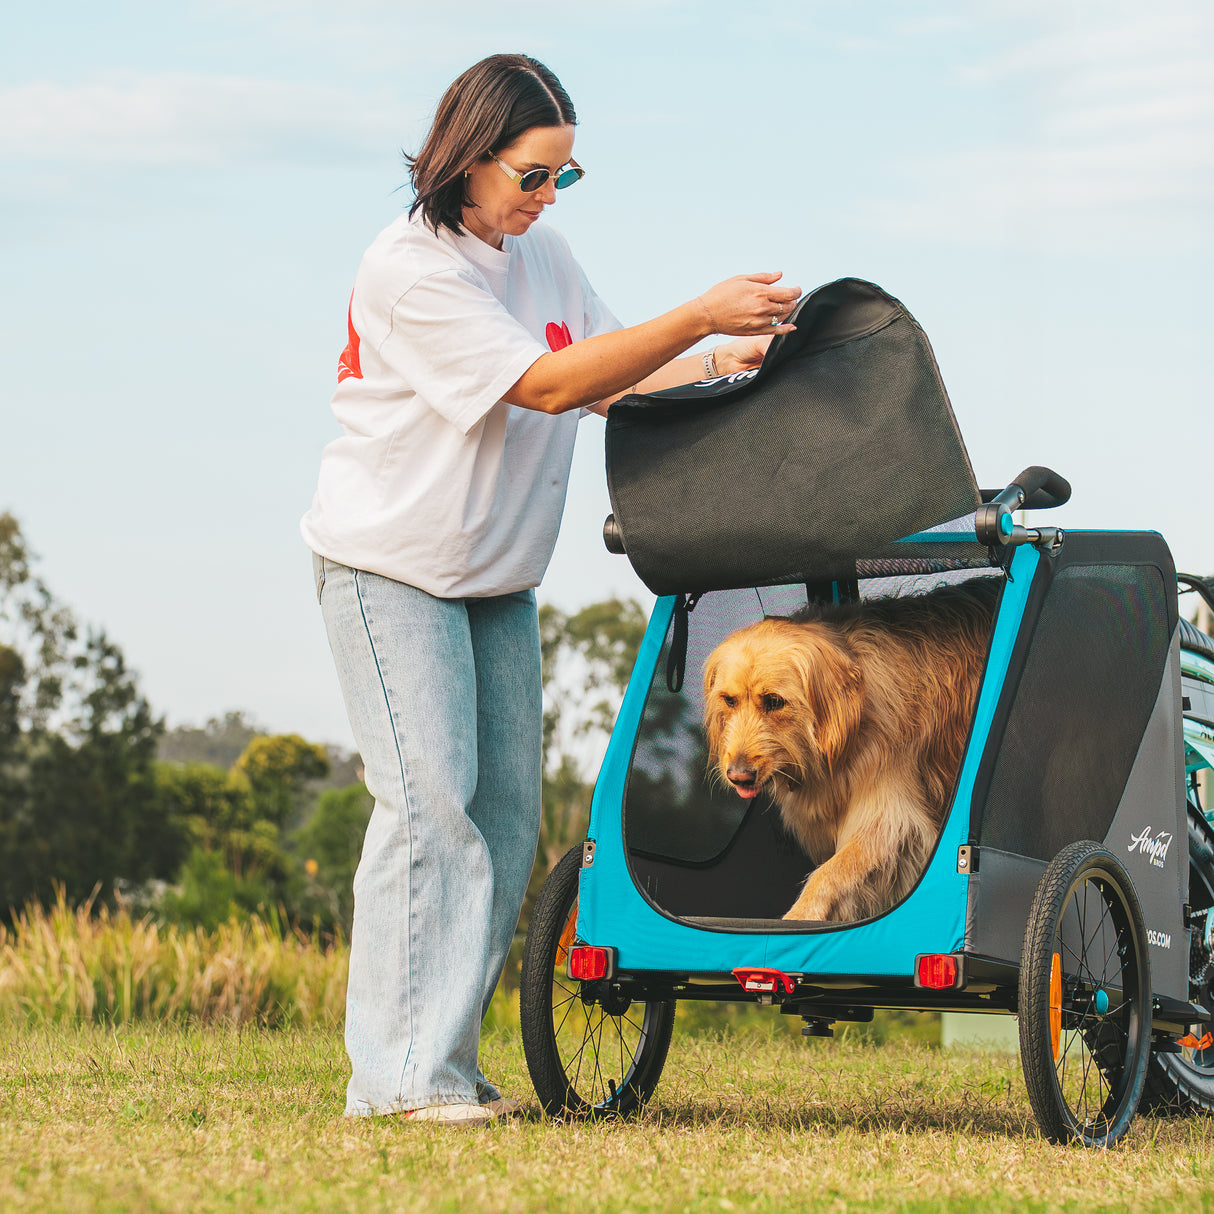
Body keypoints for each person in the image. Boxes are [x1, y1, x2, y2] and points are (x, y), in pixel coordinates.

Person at [301, 52, 801, 1124]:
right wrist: (699, 311)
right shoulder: (409, 269)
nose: (545, 198)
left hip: (494, 576)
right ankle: (395, 1078)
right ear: (467, 160)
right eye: (532, 176)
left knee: (507, 819)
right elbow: (547, 384)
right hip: (390, 566)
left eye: (561, 178)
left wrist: (733, 357)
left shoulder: (544, 258)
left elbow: (616, 373)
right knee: (429, 808)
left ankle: (444, 1062)